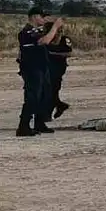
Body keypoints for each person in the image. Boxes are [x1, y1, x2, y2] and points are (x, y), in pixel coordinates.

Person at [16, 7, 62, 137]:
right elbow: (44, 40)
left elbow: (52, 40)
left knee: (44, 95)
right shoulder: (27, 32)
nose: (44, 19)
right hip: (31, 68)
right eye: (42, 16)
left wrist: (53, 27)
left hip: (41, 66)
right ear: (34, 17)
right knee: (32, 97)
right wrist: (55, 27)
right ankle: (23, 126)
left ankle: (39, 123)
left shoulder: (38, 30)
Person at [44, 16, 74, 119]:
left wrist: (51, 53)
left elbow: (68, 52)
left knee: (53, 90)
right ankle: (58, 106)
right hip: (46, 67)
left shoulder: (65, 39)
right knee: (49, 91)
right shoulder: (46, 38)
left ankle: (49, 113)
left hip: (58, 68)